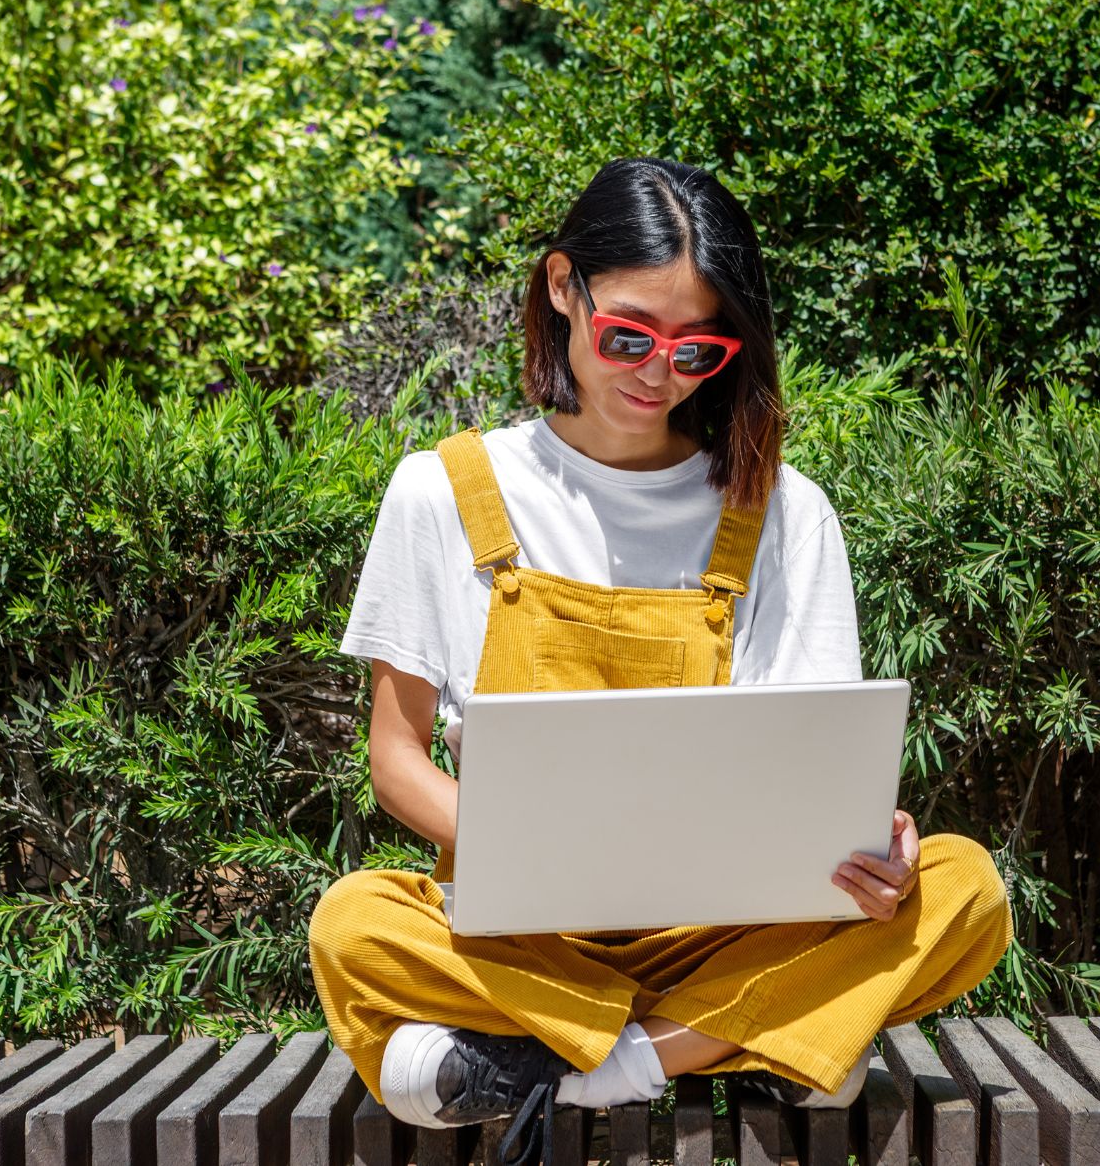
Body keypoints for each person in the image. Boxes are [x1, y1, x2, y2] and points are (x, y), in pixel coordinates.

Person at [307, 157, 1013, 1166]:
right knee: (354, 921)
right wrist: (531, 850)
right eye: (628, 335)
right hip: (518, 932)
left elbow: (812, 760)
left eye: (697, 350)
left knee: (962, 887)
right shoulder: (442, 490)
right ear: (562, 288)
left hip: (723, 929)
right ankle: (747, 1040)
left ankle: (579, 1064)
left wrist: (872, 853)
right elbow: (396, 759)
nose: (657, 372)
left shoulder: (778, 508)